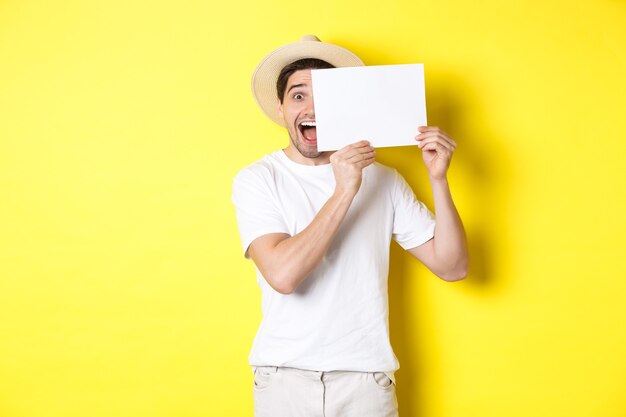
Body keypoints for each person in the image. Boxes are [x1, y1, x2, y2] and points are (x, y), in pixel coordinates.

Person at [232, 35, 469, 417]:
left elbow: (453, 266)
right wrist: (344, 189)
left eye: (325, 96)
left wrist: (439, 179)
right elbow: (283, 275)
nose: (312, 108)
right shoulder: (258, 179)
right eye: (298, 95)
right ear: (280, 108)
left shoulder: (385, 180)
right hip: (284, 381)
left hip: (366, 382)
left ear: (346, 106)